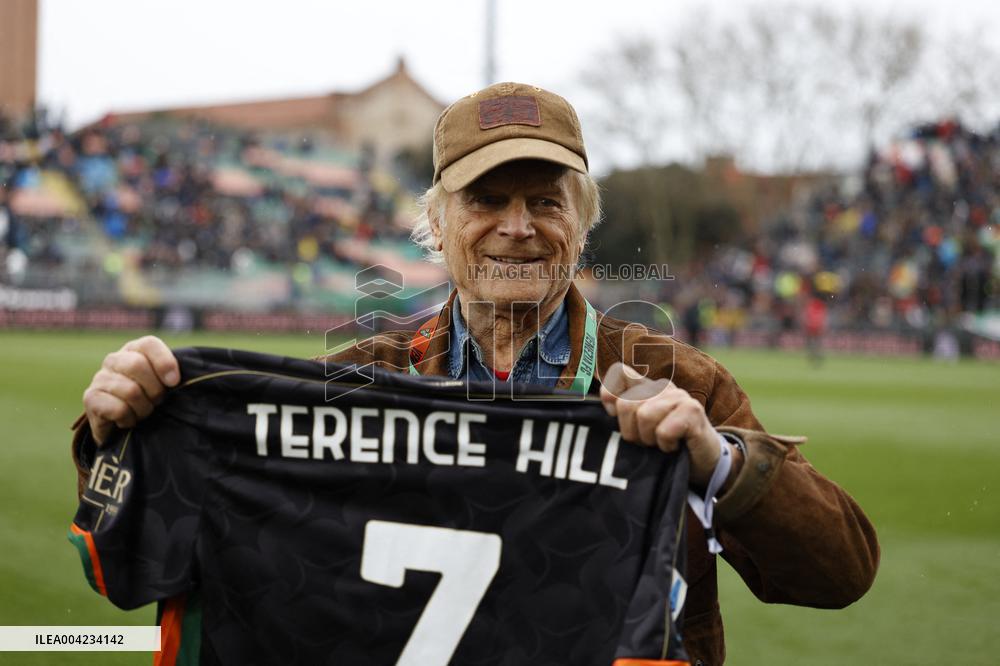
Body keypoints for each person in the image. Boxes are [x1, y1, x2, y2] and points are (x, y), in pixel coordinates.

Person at [72, 82, 879, 665]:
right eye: (486, 199)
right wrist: (119, 431)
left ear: (584, 222)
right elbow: (124, 577)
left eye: (547, 201)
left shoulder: (682, 384)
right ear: (436, 223)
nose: (517, 228)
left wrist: (717, 459)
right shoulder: (354, 381)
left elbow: (840, 573)